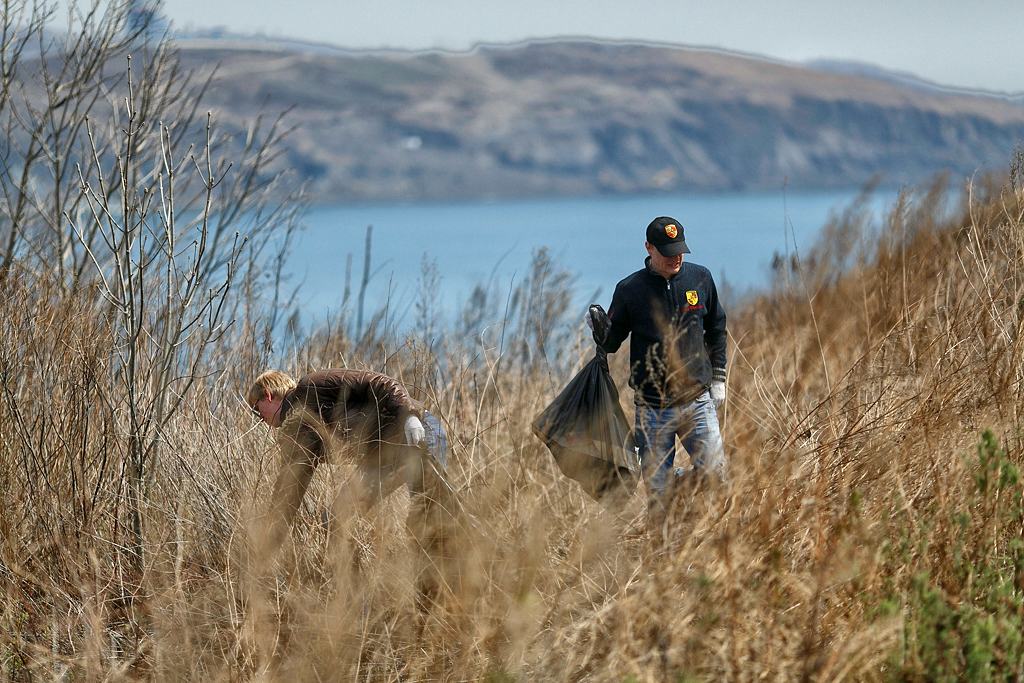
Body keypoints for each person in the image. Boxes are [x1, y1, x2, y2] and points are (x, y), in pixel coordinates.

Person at [247, 368, 452, 607]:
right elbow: (288, 492)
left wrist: (409, 416)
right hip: (382, 458)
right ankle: (359, 605)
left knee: (429, 518)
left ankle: (459, 586)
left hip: (415, 433)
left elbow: (381, 382)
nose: (258, 417)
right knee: (333, 520)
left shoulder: (312, 385)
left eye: (256, 408)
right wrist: (267, 546)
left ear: (268, 395)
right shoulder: (296, 432)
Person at [588, 216, 728, 498]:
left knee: (718, 480)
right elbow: (611, 343)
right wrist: (599, 330)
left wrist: (718, 377)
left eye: (679, 250)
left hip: (697, 402)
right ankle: (667, 530)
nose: (675, 257)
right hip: (653, 409)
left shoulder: (700, 278)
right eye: (666, 252)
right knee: (659, 497)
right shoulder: (629, 290)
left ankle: (678, 481)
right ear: (649, 248)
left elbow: (716, 328)